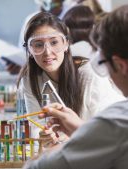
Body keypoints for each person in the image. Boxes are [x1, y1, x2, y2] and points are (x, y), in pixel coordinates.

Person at [23, 4, 128, 168]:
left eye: (103, 62)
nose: (47, 52)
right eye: (38, 45)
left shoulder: (117, 117)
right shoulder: (31, 79)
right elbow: (102, 138)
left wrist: (76, 135)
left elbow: (38, 167)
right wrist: (79, 129)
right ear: (29, 49)